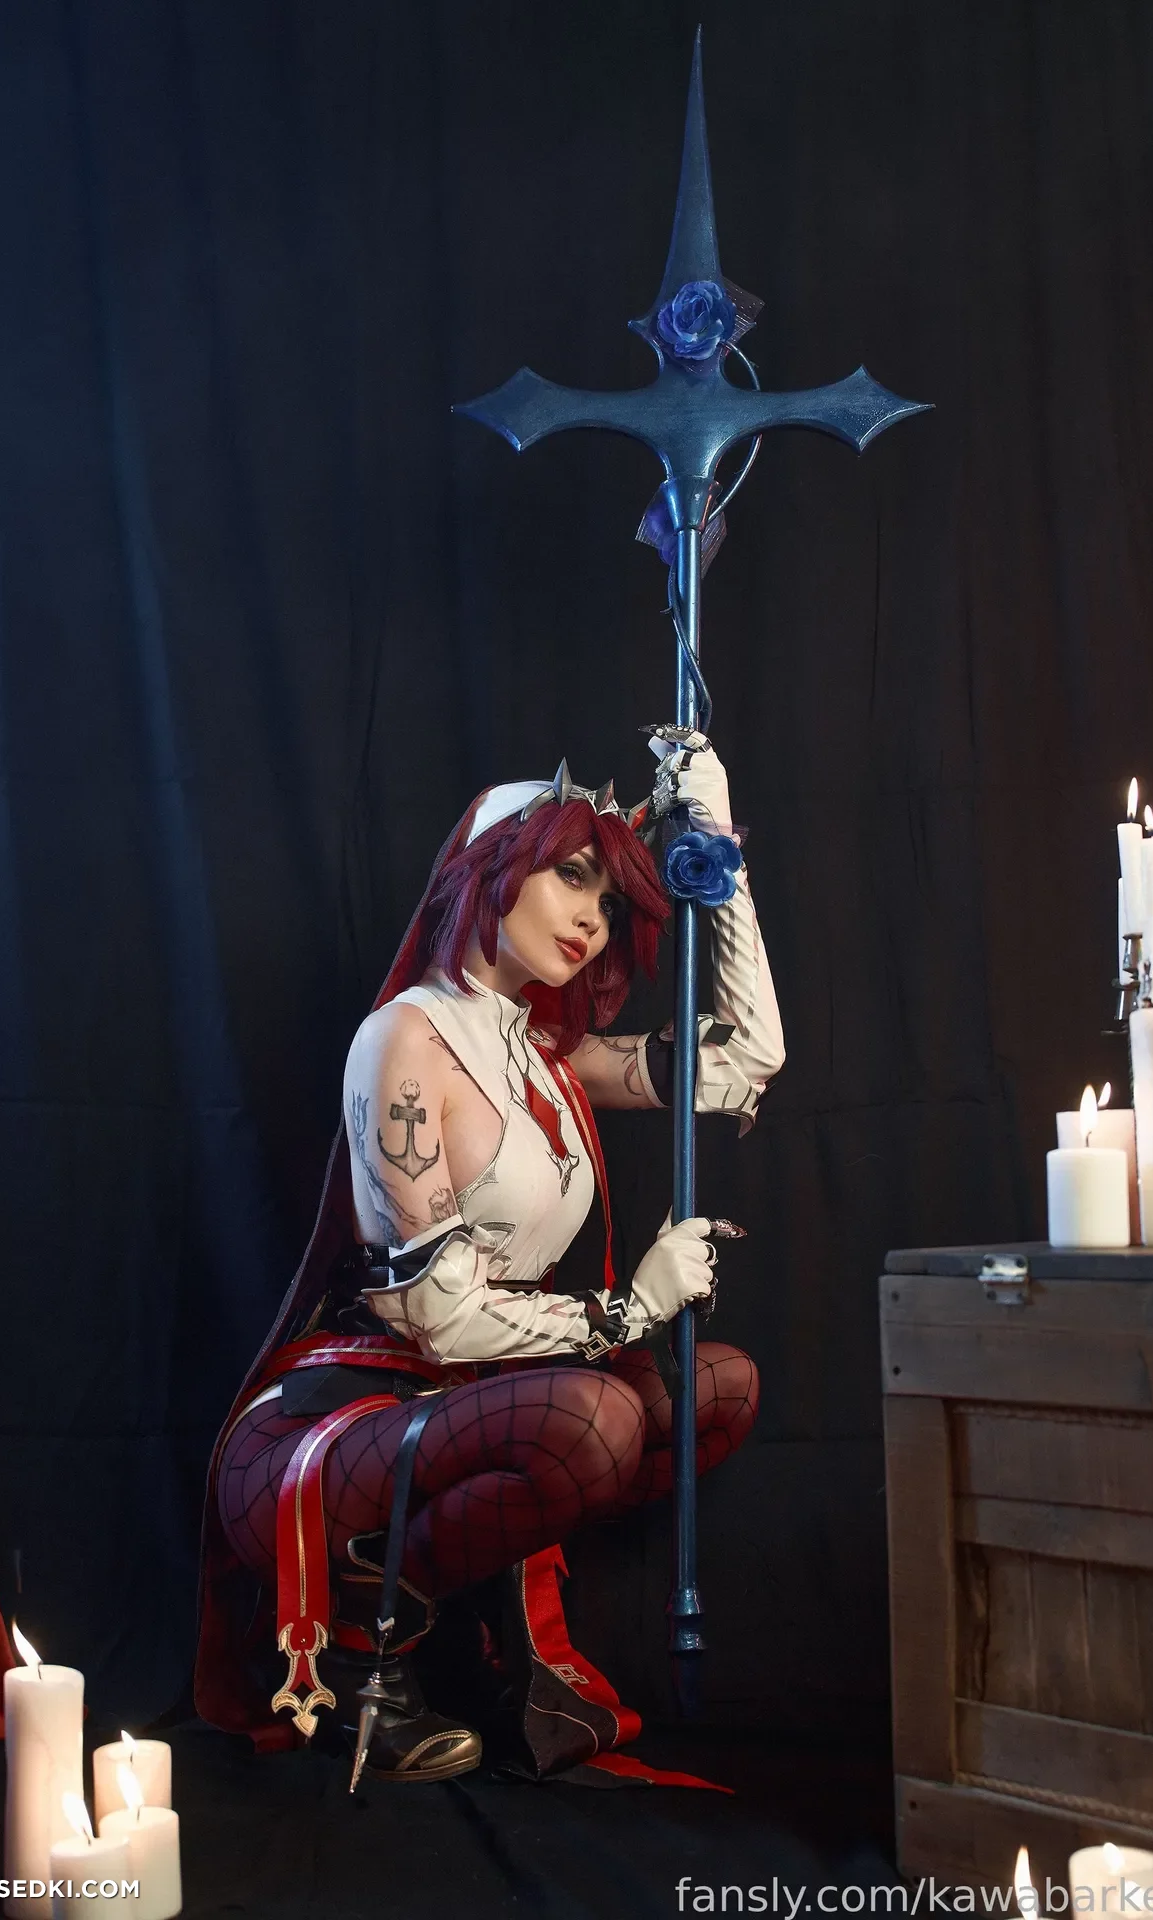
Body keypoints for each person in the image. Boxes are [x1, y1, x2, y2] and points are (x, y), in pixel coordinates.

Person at [194, 731, 784, 1784]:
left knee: (718, 1389)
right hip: (339, 1420)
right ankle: (364, 1643)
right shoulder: (405, 1040)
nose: (593, 919)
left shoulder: (546, 1053)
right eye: (572, 877)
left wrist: (717, 848)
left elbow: (744, 1060)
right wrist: (627, 1310)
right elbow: (433, 1317)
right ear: (491, 868)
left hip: (489, 1393)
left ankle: (418, 1607)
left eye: (610, 900)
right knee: (600, 1418)